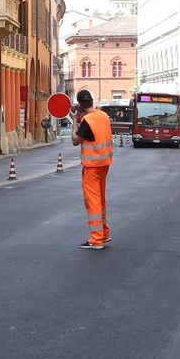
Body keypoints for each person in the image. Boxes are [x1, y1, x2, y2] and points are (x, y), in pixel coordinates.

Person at [71, 89, 112, 249]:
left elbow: (75, 140)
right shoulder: (103, 116)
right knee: (100, 199)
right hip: (105, 163)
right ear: (92, 102)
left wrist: (75, 121)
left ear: (80, 105)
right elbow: (94, 134)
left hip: (92, 166)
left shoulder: (87, 121)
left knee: (93, 201)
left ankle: (96, 239)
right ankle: (105, 233)